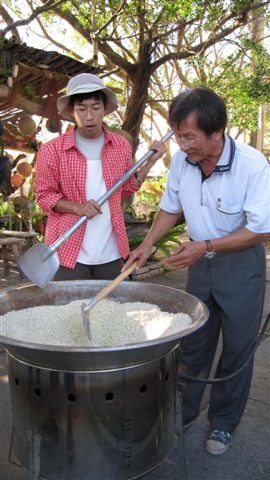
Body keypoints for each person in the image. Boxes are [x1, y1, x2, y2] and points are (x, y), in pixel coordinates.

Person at [123, 87, 270, 455]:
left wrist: (205, 246)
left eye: (190, 136)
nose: (183, 144)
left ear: (217, 130)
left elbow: (262, 229)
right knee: (193, 343)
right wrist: (146, 245)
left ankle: (222, 423)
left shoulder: (252, 166)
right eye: (178, 134)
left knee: (237, 348)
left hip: (240, 266)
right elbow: (170, 209)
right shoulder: (181, 163)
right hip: (199, 266)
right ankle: (183, 412)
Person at [34, 73, 165, 280]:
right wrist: (77, 207)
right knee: (71, 310)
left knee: (109, 309)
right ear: (71, 111)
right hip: (69, 251)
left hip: (111, 251)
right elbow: (43, 196)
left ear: (105, 109)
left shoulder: (120, 145)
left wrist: (150, 162)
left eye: (95, 108)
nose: (89, 116)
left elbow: (128, 186)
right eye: (82, 109)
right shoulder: (52, 150)